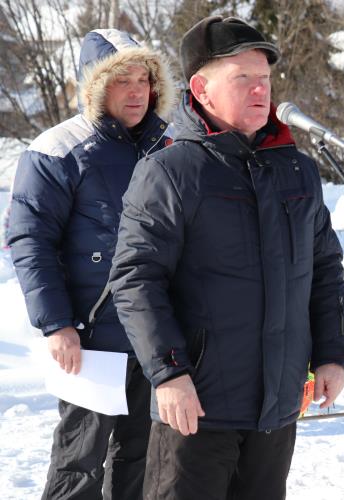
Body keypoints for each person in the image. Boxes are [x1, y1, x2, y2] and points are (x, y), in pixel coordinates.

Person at [108, 16, 344, 500]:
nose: (261, 90)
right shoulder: (170, 171)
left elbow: (324, 268)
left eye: (265, 78)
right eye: (243, 79)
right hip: (196, 409)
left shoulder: (297, 170)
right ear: (202, 89)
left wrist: (331, 354)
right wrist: (169, 372)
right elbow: (137, 279)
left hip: (275, 408)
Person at [7, 29, 176, 499]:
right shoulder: (58, 148)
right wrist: (57, 324)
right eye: (123, 80)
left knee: (141, 460)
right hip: (91, 338)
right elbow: (31, 240)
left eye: (143, 80)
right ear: (96, 86)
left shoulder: (167, 147)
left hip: (154, 334)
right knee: (79, 465)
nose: (137, 92)